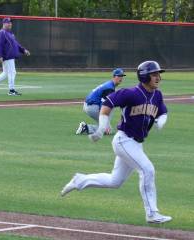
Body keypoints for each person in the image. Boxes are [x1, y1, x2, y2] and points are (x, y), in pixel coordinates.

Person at [61, 61, 172, 224]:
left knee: (115, 181)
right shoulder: (131, 93)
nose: (158, 77)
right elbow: (107, 104)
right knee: (147, 170)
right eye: (154, 74)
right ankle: (152, 213)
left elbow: (162, 111)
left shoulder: (157, 95)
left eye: (158, 74)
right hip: (124, 141)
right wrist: (101, 128)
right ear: (144, 76)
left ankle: (80, 181)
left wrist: (161, 120)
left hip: (136, 144)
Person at [0, 17, 30, 96]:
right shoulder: (1, 32)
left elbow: (16, 45)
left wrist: (23, 50)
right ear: (4, 24)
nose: (10, 24)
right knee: (12, 72)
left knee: (6, 73)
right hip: (7, 56)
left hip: (10, 56)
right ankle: (11, 90)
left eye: (10, 22)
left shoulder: (10, 34)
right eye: (8, 22)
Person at [75, 68, 125, 135]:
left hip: (89, 105)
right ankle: (86, 127)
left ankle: (86, 127)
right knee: (107, 128)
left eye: (122, 76)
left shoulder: (109, 84)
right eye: (118, 76)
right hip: (92, 107)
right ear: (114, 76)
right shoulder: (109, 88)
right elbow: (104, 105)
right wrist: (104, 118)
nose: (120, 78)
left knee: (107, 128)